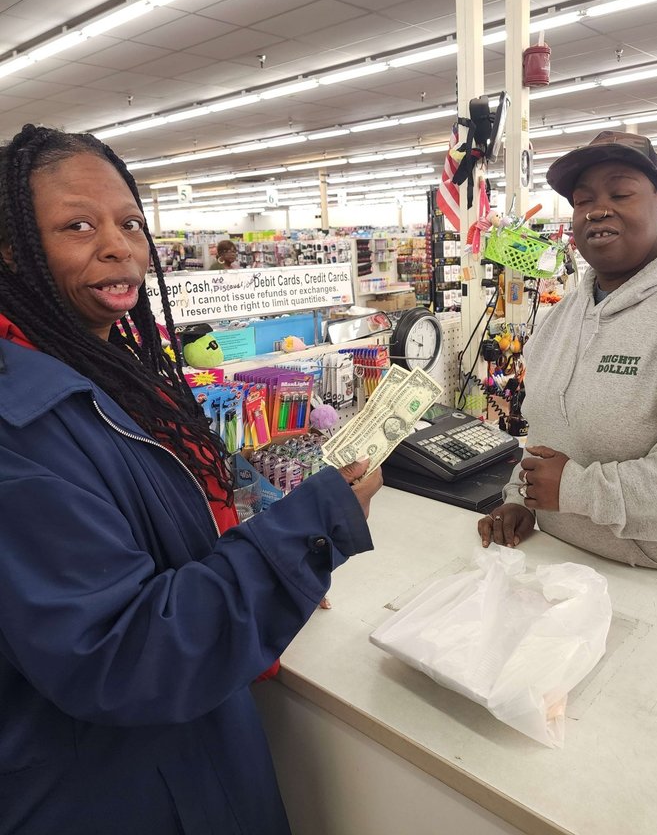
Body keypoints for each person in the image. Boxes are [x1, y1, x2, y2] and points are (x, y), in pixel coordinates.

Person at [0, 124, 382, 834]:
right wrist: (300, 539)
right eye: (77, 226)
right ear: (13, 252)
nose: (118, 246)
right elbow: (118, 653)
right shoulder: (20, 425)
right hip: (108, 791)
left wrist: (271, 568)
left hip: (175, 760)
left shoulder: (102, 372)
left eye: (130, 222)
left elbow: (147, 544)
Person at [478, 130, 657, 585]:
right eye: (582, 199)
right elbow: (548, 432)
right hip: (567, 571)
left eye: (621, 193)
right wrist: (521, 497)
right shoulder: (563, 316)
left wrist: (576, 491)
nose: (597, 209)